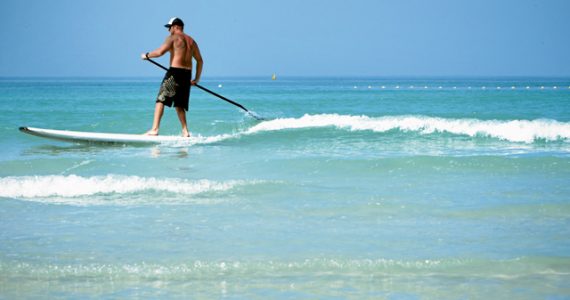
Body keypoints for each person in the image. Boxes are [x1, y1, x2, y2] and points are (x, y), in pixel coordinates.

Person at [141, 17, 203, 137]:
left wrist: (147, 55)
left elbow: (160, 52)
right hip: (187, 75)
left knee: (161, 99)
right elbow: (200, 61)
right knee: (179, 104)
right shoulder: (192, 41)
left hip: (174, 73)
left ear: (175, 27)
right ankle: (185, 131)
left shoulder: (173, 38)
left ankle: (154, 129)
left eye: (169, 27)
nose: (168, 30)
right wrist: (196, 79)